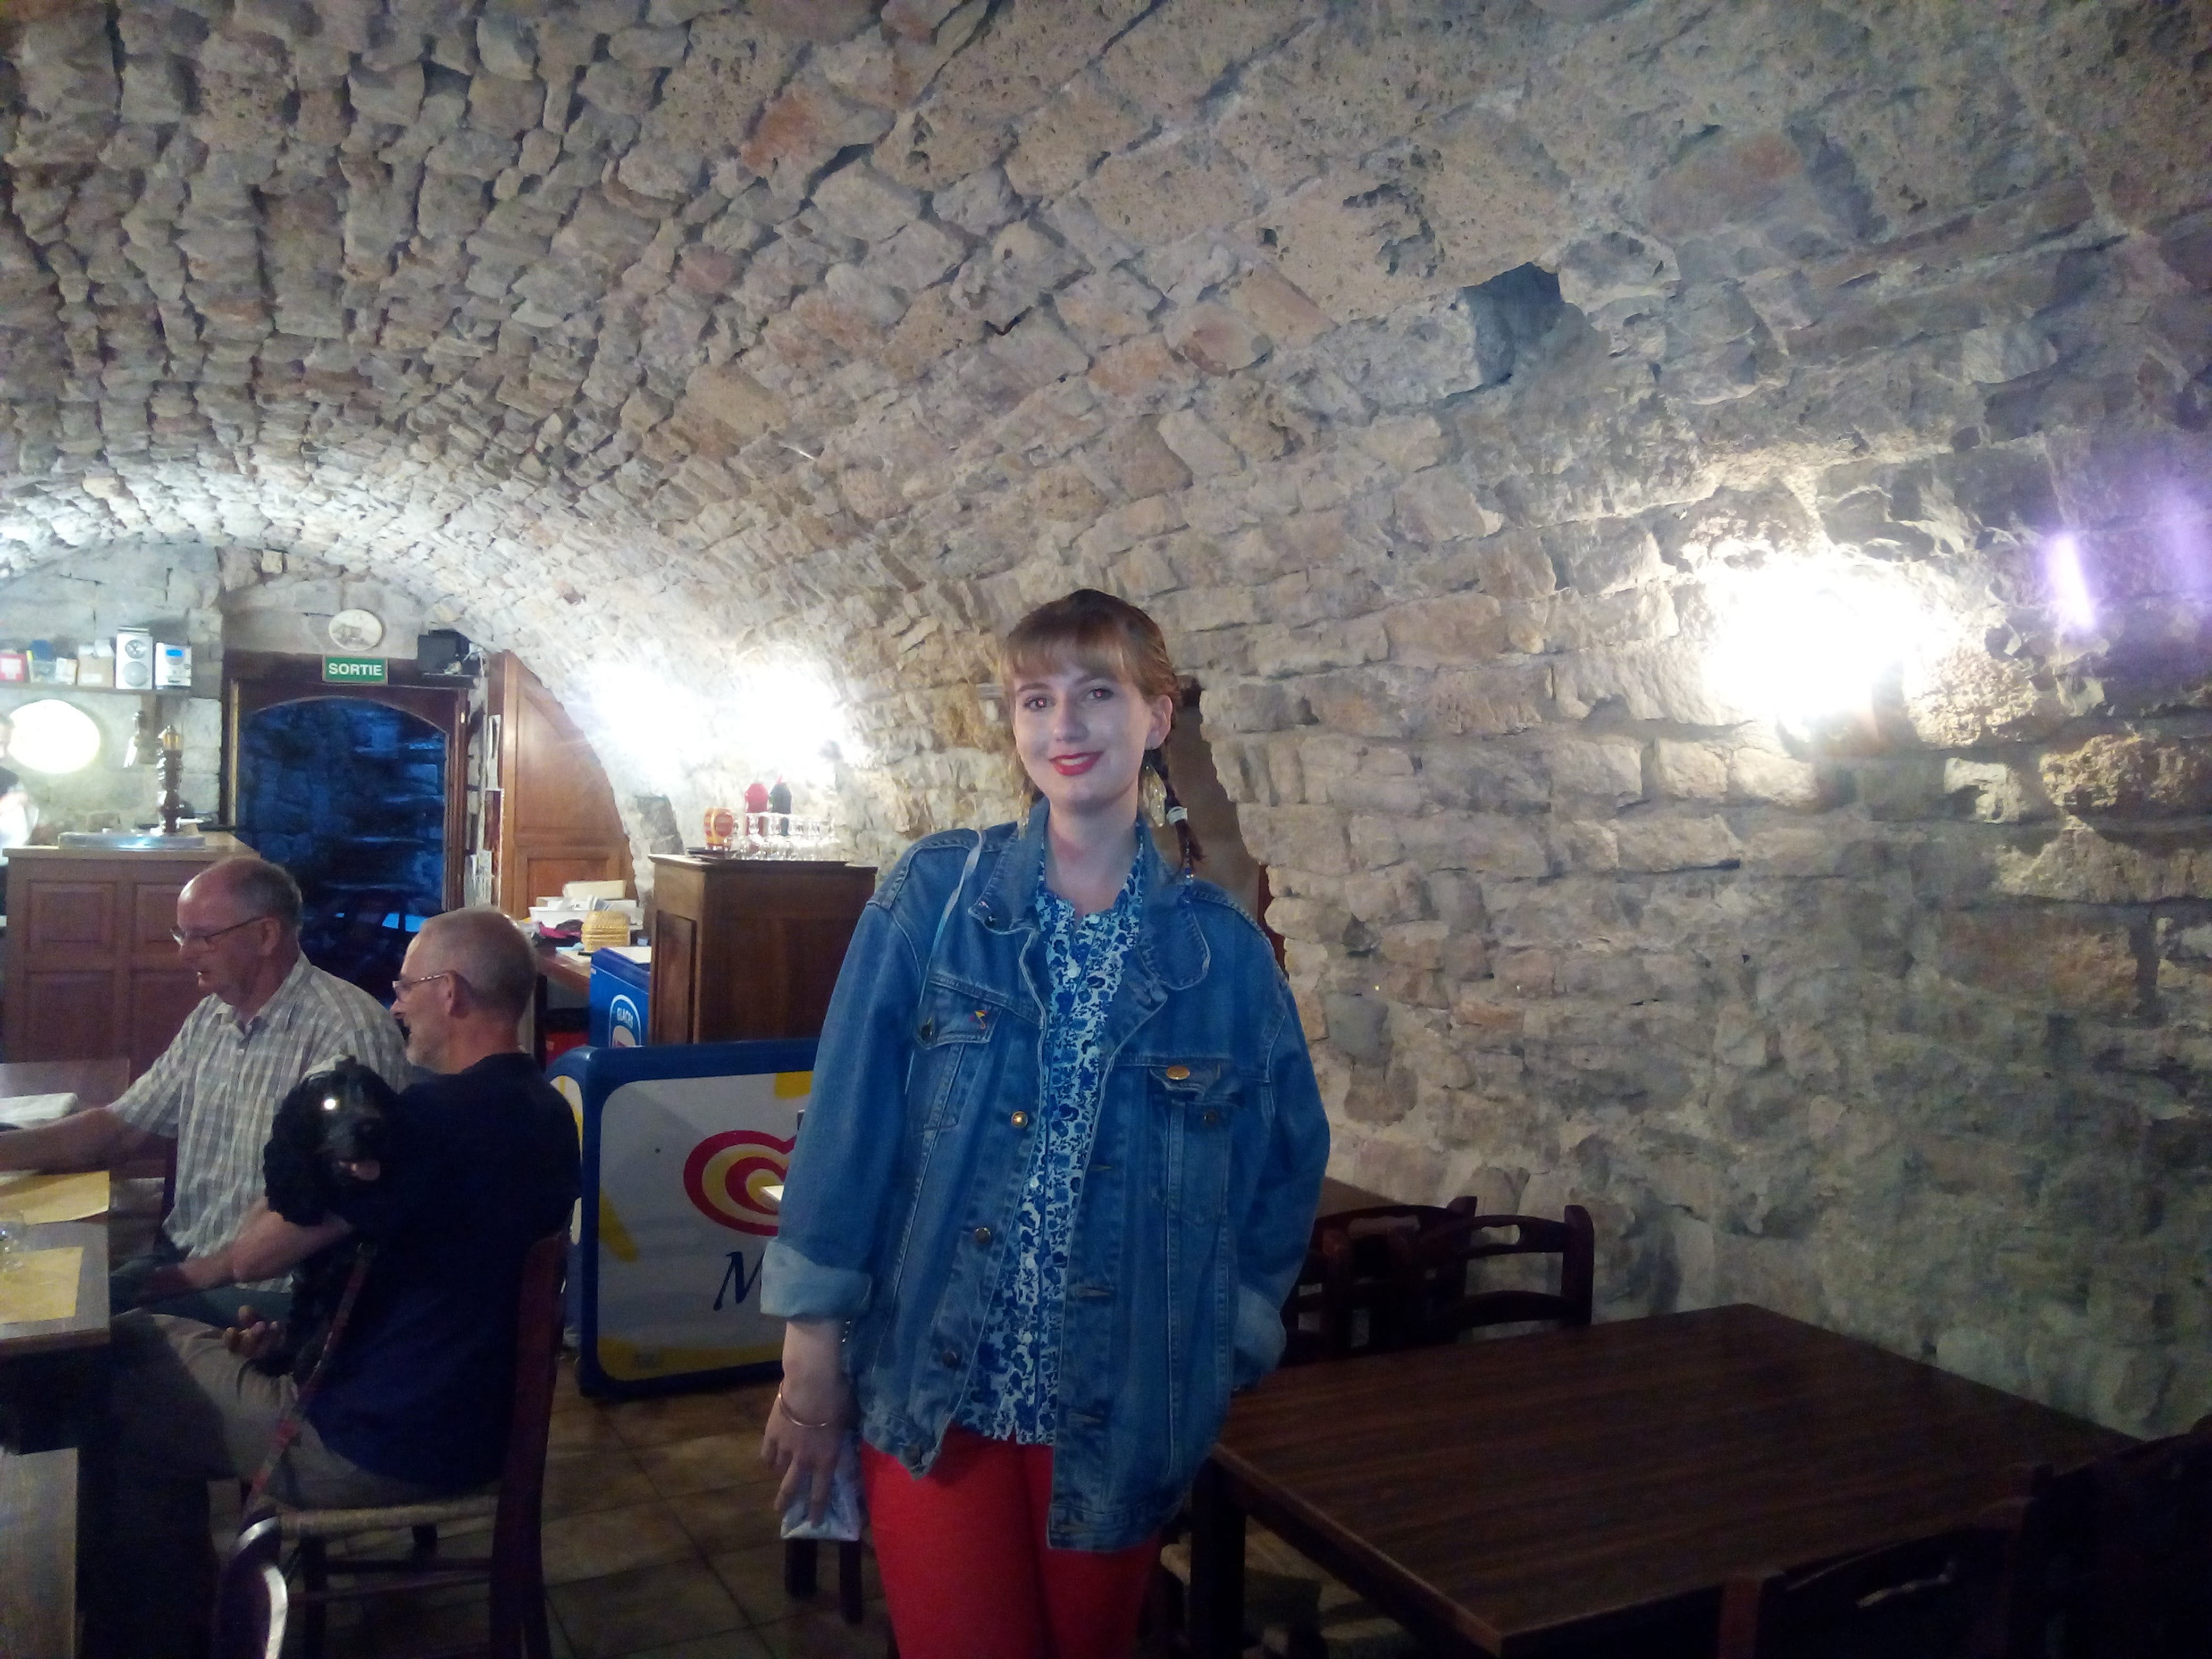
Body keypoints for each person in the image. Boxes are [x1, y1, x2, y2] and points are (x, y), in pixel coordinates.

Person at [761, 590, 1331, 1659]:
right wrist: (812, 1347)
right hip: (940, 1382)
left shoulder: (1222, 953)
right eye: (1037, 699)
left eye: (1097, 693)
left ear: (1157, 716)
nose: (1065, 725)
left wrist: (1225, 1339)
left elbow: (1283, 1161)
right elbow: (846, 1123)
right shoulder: (937, 895)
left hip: (1122, 1404)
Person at [81, 906, 582, 1659]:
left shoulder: (423, 1124)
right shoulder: (544, 1109)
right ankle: (174, 1618)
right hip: (475, 1424)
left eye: (406, 987)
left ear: (449, 992)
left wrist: (300, 1149)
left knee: (111, 1362)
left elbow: (253, 1256)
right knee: (148, 1382)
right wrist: (297, 1336)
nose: (396, 1005)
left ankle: (159, 1633)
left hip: (376, 1446)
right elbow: (433, 1276)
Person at [0, 856, 412, 1322]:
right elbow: (119, 1129)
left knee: (52, 1329)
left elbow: (343, 1205)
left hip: (272, 1294)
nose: (185, 954)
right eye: (182, 935)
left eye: (203, 937)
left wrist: (170, 1282)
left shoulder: (348, 1033)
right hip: (184, 1259)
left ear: (266, 935)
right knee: (31, 1295)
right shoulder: (212, 1018)